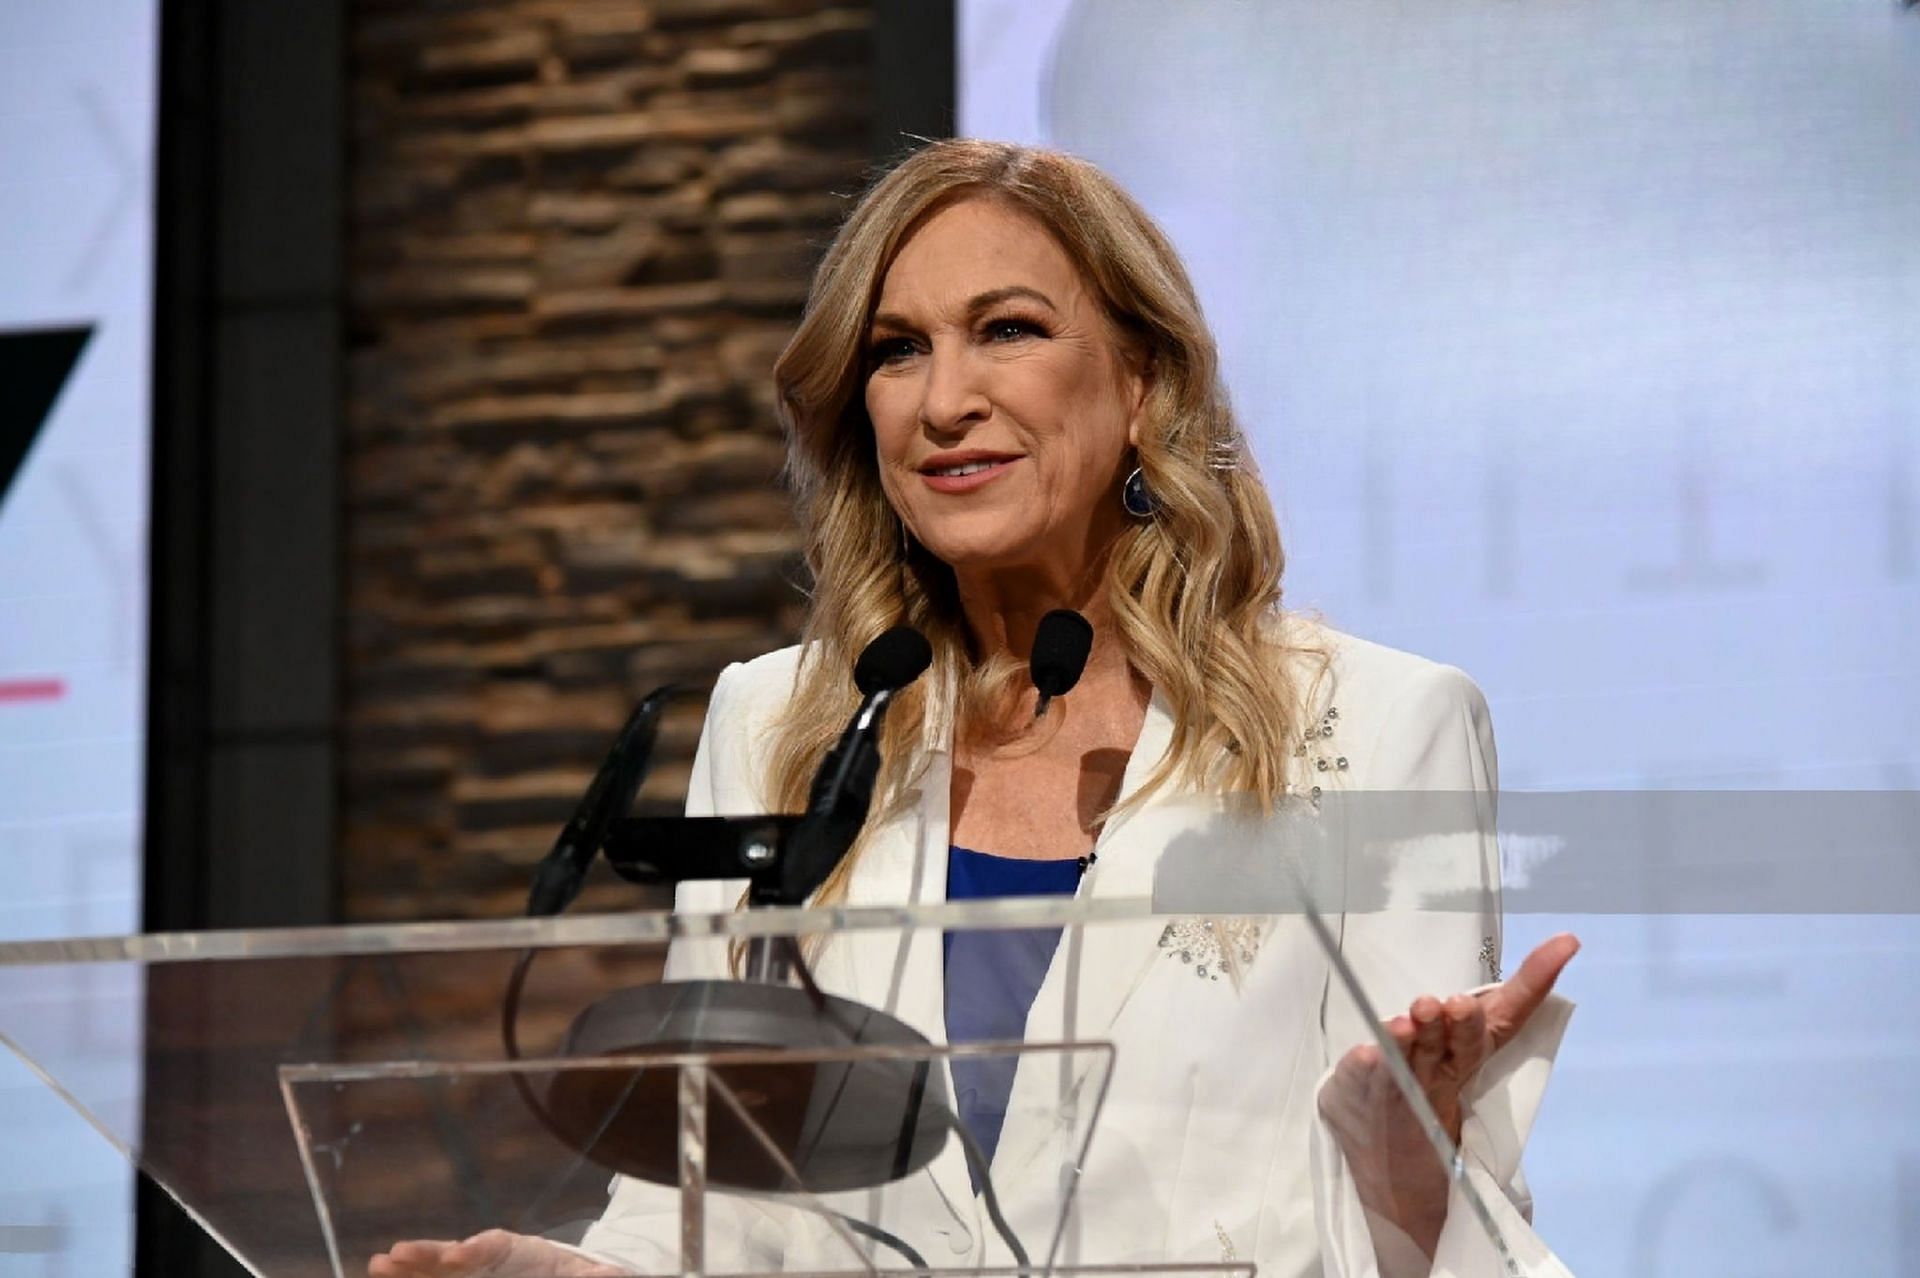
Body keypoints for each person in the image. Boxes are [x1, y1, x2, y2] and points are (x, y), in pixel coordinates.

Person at [370, 139, 1578, 1278]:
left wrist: (1409, 1164)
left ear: (1143, 381)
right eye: (897, 350)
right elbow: (708, 1198)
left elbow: (1460, 1233)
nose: (944, 400)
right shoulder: (780, 728)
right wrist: (576, 1270)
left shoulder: (1378, 725)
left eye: (1007, 330)